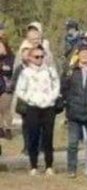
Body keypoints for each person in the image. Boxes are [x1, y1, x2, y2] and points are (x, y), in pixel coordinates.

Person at [15, 45, 60, 176]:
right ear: (30, 58)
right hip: (33, 107)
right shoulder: (26, 73)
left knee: (48, 137)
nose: (39, 59)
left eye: (42, 56)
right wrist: (30, 99)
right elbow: (20, 90)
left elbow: (56, 86)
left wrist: (51, 98)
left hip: (48, 107)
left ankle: (49, 165)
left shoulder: (50, 71)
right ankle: (33, 165)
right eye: (36, 56)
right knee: (33, 136)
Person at [61, 45, 87, 178]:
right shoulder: (71, 71)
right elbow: (64, 89)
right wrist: (68, 104)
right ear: (78, 55)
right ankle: (71, 169)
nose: (85, 55)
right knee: (72, 144)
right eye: (82, 53)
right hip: (74, 113)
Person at [0, 38, 15, 139]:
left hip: (7, 86)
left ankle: (8, 129)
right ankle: (1, 129)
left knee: (6, 108)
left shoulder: (10, 57)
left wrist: (2, 67)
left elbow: (10, 70)